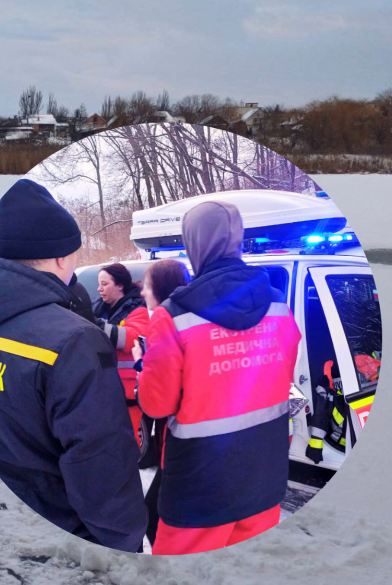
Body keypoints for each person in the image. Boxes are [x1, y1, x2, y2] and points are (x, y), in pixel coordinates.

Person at [0, 178, 147, 552]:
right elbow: (101, 468)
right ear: (61, 256)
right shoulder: (73, 341)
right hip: (65, 532)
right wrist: (125, 544)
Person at [138, 200, 301, 555]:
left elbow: (156, 403)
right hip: (263, 474)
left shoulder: (172, 316)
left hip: (199, 485)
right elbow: (280, 377)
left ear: (193, 243)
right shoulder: (279, 305)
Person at [129, 258, 192, 547]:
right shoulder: (196, 317)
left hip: (180, 441)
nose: (142, 292)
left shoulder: (164, 323)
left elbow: (157, 403)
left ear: (161, 288)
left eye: (147, 285)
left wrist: (141, 364)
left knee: (156, 520)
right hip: (194, 441)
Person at [94, 263, 149, 450]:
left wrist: (95, 325)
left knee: (127, 444)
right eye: (98, 284)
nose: (99, 289)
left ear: (120, 285)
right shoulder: (98, 309)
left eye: (104, 284)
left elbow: (131, 338)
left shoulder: (138, 311)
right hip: (103, 389)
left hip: (127, 392)